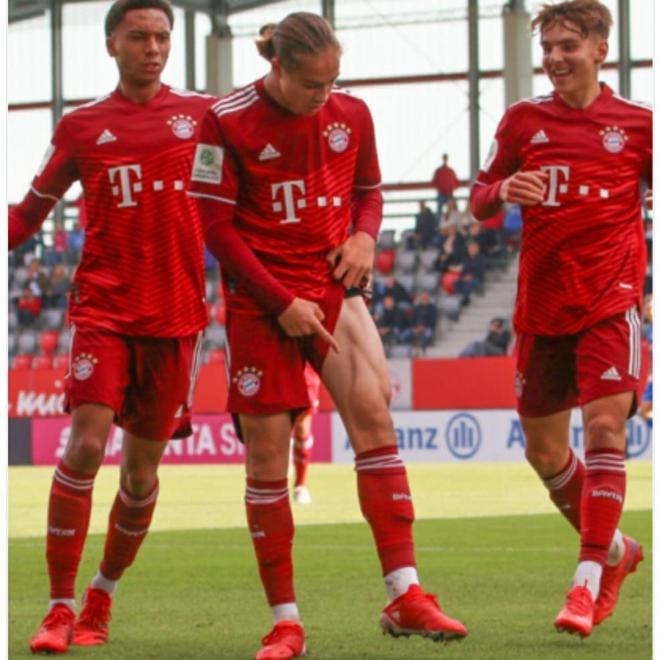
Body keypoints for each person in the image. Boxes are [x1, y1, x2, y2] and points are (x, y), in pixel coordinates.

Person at [189, 13, 468, 659]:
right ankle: (286, 623)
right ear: (278, 68)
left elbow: (369, 190)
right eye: (313, 83)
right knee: (266, 459)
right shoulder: (224, 119)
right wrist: (280, 301)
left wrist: (366, 236)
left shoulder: (353, 113)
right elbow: (216, 229)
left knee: (375, 421)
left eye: (333, 80)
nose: (325, 94)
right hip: (263, 303)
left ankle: (406, 594)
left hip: (332, 288)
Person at [9, 0, 216, 653]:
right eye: (138, 36)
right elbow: (29, 212)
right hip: (104, 308)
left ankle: (103, 595)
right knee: (86, 446)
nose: (151, 48)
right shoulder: (81, 127)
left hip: (177, 316)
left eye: (161, 37)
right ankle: (59, 607)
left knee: (139, 477)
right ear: (111, 45)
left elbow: (266, 168)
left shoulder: (206, 117)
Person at [470, 0, 651, 639]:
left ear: (601, 48)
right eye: (547, 46)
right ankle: (619, 552)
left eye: (568, 45)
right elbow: (480, 196)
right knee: (545, 452)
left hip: (611, 300)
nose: (554, 58)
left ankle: (585, 584)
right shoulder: (523, 121)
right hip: (542, 308)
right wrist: (503, 191)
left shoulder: (638, 126)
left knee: (606, 428)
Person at [290, 363, 321, 504]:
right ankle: (284, 453)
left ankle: (300, 486)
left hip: (306, 371)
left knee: (302, 428)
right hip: (276, 363)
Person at [431, 153, 459, 218]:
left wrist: (450, 188)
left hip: (448, 193)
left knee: (453, 210)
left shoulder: (450, 171)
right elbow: (434, 182)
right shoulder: (440, 171)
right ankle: (439, 225)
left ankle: (453, 223)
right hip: (443, 193)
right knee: (439, 211)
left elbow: (455, 183)